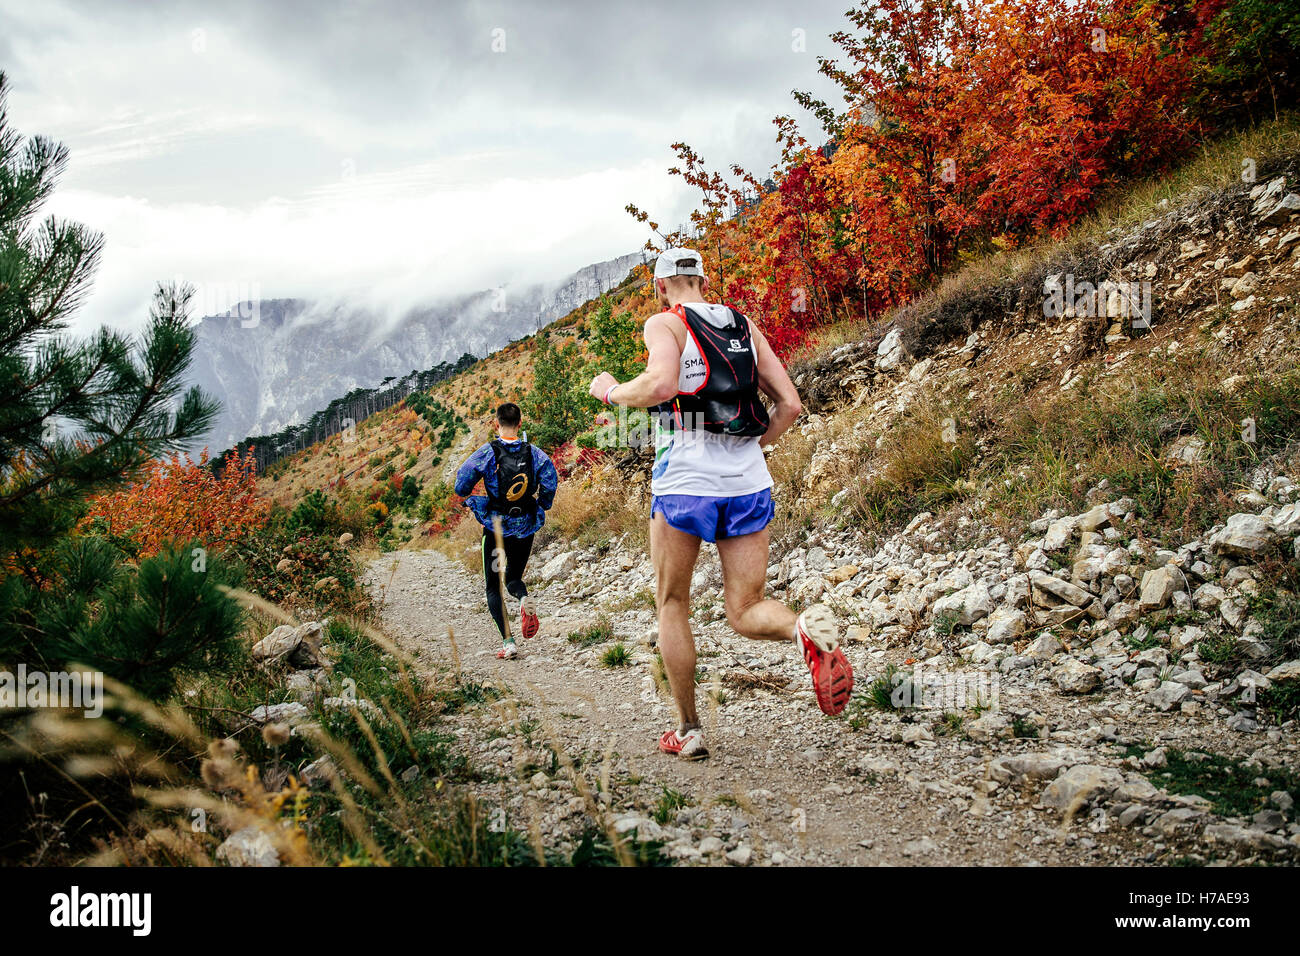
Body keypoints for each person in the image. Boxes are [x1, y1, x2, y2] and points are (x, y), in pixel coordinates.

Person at [588, 248, 853, 760]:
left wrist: (611, 392)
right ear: (704, 281)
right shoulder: (743, 324)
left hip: (685, 481)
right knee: (746, 608)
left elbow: (662, 384)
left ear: (661, 286)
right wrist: (755, 446)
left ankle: (688, 730)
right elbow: (791, 404)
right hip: (747, 482)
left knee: (673, 604)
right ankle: (802, 629)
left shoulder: (664, 323)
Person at [454, 402, 558, 659]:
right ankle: (523, 600)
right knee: (513, 578)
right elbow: (549, 483)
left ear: (496, 423)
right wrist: (541, 503)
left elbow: (461, 483)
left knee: (493, 587)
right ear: (520, 423)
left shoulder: (487, 453)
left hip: (496, 529)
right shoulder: (535, 454)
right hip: (525, 527)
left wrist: (470, 492)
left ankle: (508, 642)